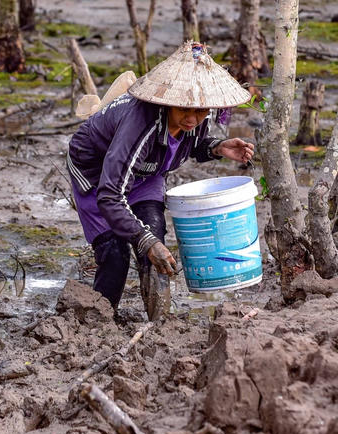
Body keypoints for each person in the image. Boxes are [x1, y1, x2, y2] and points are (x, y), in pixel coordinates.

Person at [67, 41, 255, 318]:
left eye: (200, 111)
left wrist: (216, 147)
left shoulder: (196, 115)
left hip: (144, 174)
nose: (193, 118)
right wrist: (143, 240)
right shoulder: (140, 125)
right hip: (97, 176)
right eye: (184, 111)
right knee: (115, 252)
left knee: (155, 240)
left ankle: (159, 322)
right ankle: (99, 321)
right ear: (168, 103)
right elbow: (110, 195)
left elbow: (189, 142)